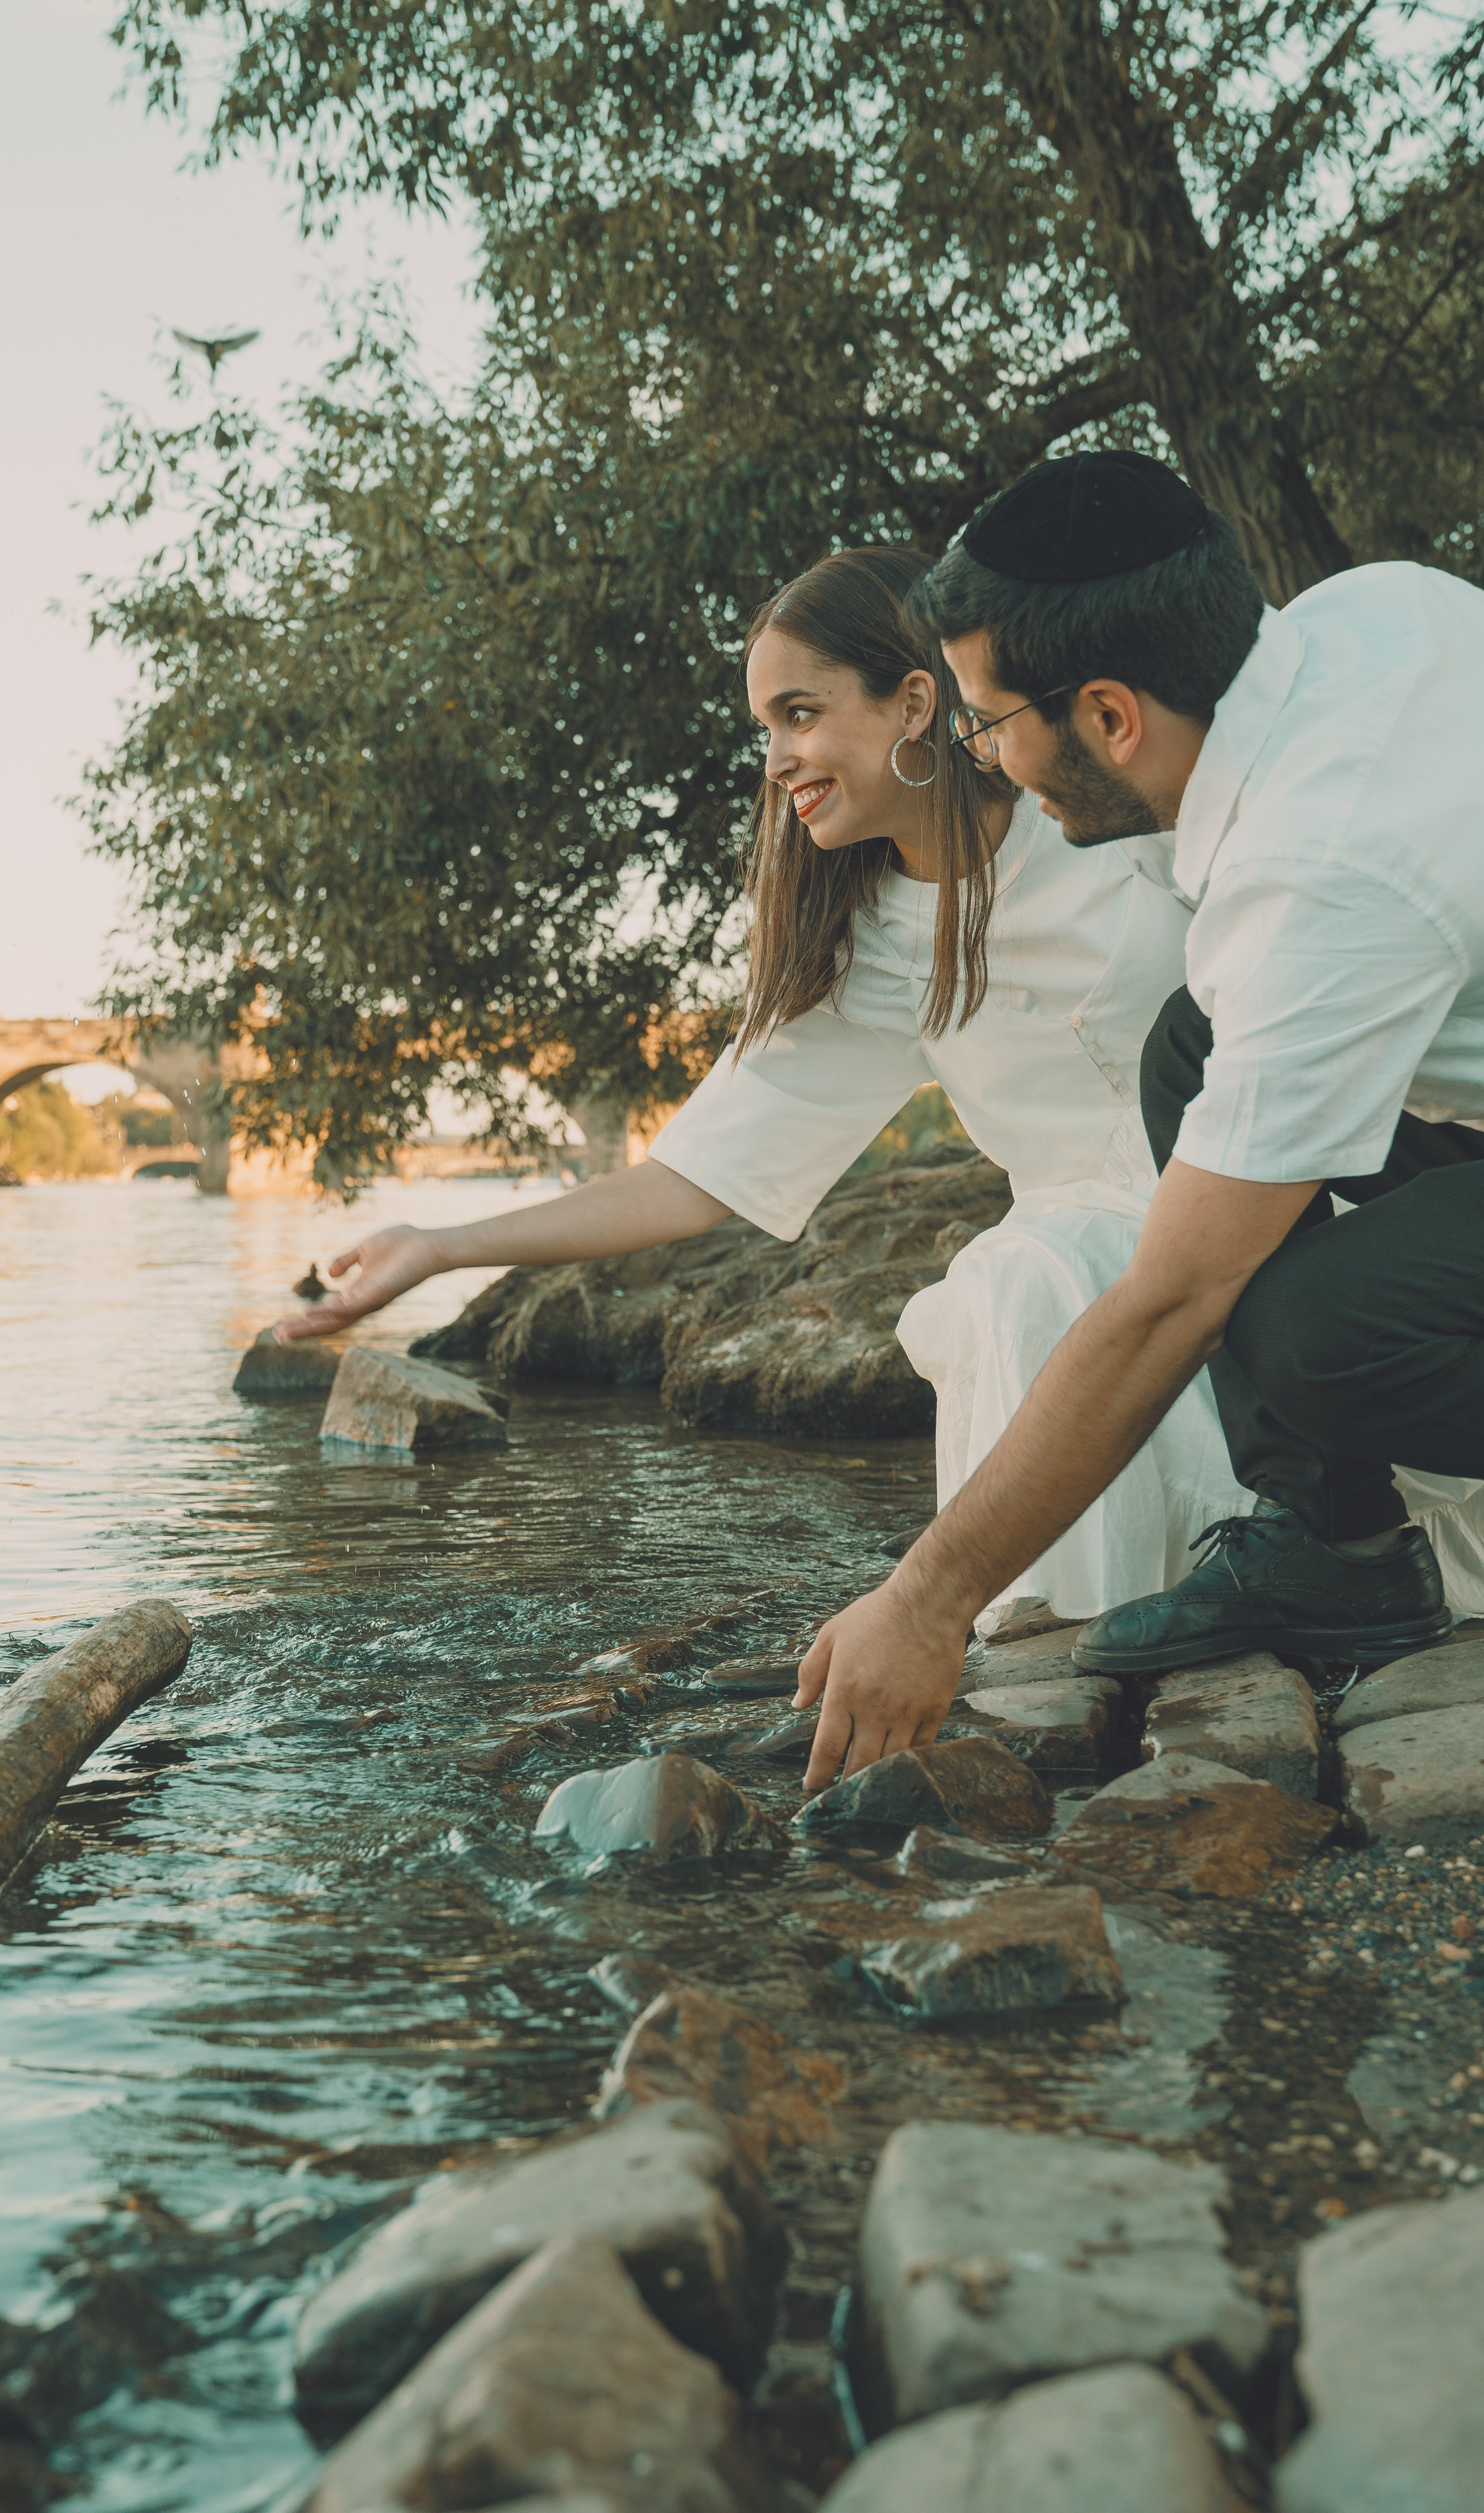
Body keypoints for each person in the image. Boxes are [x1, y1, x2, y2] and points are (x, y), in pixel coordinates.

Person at [277, 545, 1252, 1623]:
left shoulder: (1096, 810)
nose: (778, 758)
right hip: (1071, 1279)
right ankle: (1054, 1671)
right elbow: (693, 1180)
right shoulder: (868, 952)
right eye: (765, 730)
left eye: (800, 713)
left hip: (1263, 1196)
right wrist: (442, 1248)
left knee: (1025, 1279)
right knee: (1018, 1280)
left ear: (915, 703)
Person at [793, 451, 1484, 1793]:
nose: (979, 759)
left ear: (1107, 714)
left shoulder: (1315, 877)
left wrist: (927, 1602)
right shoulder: (1370, 610)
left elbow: (1171, 1300)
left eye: (987, 724)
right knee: (1192, 1040)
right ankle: (1336, 1550)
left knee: (1308, 1332)